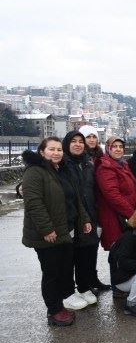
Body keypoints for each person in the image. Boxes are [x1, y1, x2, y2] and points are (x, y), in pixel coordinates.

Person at [22, 137, 91, 326]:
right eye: (51, 149)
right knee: (51, 272)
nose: (56, 153)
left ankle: (60, 304)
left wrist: (83, 219)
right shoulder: (35, 172)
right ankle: (53, 311)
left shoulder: (60, 170)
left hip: (65, 230)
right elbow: (34, 204)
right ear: (42, 152)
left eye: (59, 149)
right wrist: (47, 229)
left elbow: (74, 198)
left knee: (63, 269)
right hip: (48, 234)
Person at [62, 131, 103, 302]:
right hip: (70, 216)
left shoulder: (88, 163)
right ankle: (69, 293)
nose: (78, 144)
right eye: (74, 141)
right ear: (67, 144)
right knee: (69, 256)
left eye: (80, 141)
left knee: (87, 252)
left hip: (90, 214)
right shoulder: (62, 163)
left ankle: (85, 286)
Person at [78, 124, 111, 291]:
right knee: (83, 248)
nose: (91, 139)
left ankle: (93, 278)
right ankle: (84, 283)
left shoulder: (101, 155)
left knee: (93, 246)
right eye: (88, 137)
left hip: (98, 206)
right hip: (85, 207)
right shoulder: (80, 158)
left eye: (94, 137)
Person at [95, 136, 136, 251]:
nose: (118, 149)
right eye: (114, 146)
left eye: (121, 147)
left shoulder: (122, 164)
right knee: (119, 255)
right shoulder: (105, 167)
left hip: (125, 218)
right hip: (116, 219)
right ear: (108, 148)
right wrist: (132, 214)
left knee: (127, 254)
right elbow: (113, 195)